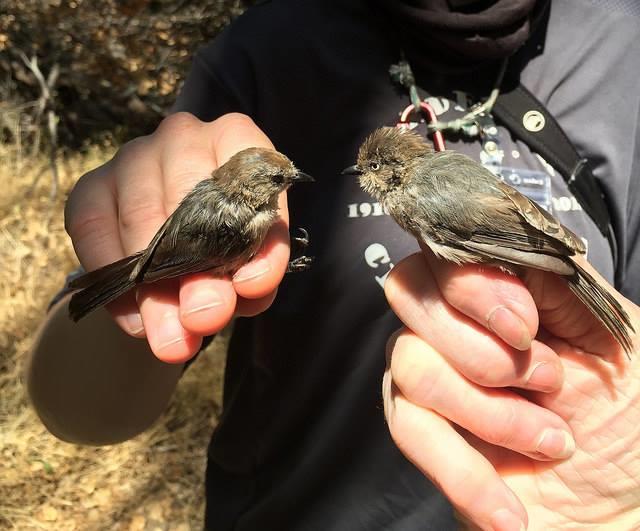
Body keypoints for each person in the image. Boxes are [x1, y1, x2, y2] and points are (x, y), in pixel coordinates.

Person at [28, 0, 640, 529]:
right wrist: (144, 273)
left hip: (557, 496)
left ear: (394, 174)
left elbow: (516, 240)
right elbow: (77, 410)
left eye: (371, 174)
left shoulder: (622, 48)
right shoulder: (269, 50)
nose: (361, 181)